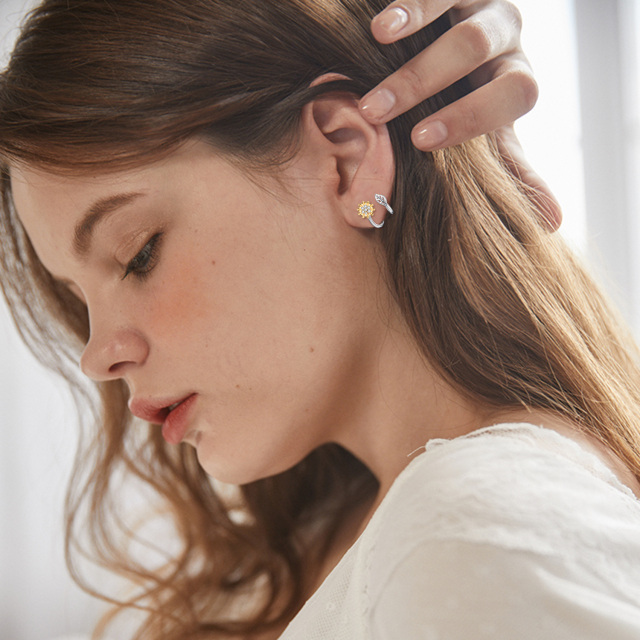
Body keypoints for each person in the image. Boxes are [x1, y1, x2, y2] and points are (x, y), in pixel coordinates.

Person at [2, 1, 638, 640]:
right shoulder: (323, 543)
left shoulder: (471, 533)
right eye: (78, 296)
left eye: (137, 253)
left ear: (344, 157)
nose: (95, 356)